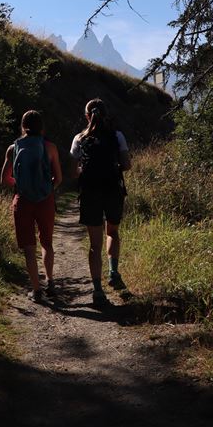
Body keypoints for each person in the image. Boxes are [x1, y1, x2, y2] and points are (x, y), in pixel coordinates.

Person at [70, 98, 131, 307]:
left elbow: (74, 171)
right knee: (112, 232)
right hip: (113, 189)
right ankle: (113, 273)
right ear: (106, 114)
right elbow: (127, 164)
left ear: (87, 116)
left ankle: (97, 290)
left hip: (90, 193)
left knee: (94, 245)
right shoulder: (117, 136)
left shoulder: (79, 138)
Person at [1, 110, 62, 303]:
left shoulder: (13, 148)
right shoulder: (50, 147)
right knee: (47, 243)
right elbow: (58, 178)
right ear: (41, 127)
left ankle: (36, 290)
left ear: (22, 126)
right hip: (46, 200)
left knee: (28, 248)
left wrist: (21, 186)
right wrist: (45, 188)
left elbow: (4, 179)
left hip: (23, 201)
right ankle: (50, 281)